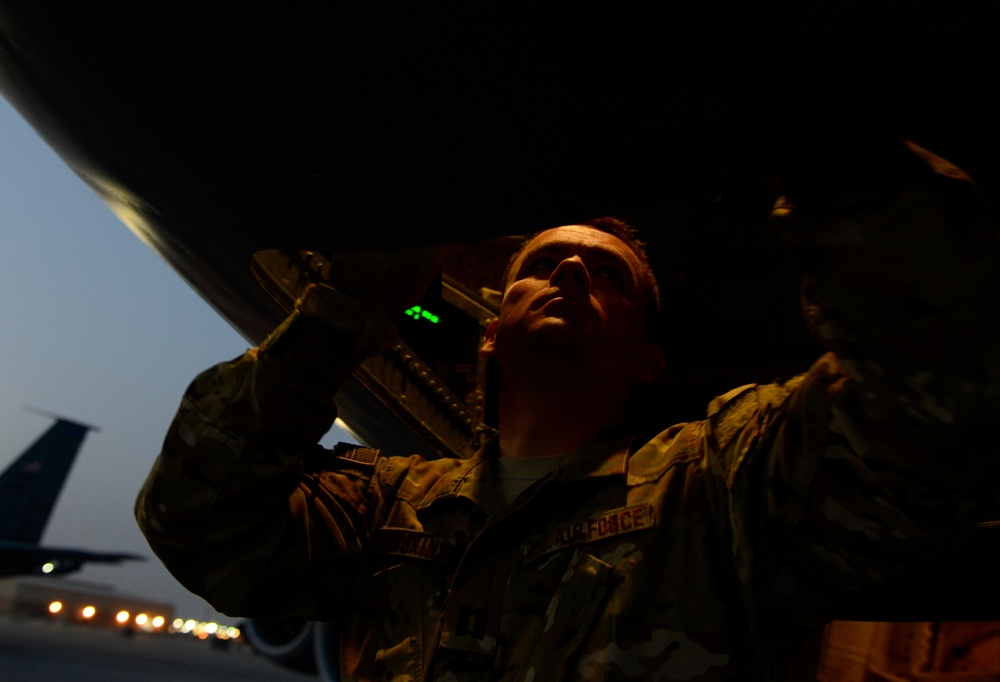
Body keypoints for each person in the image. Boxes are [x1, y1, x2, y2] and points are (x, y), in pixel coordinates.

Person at [136, 139, 1000, 681]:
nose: (574, 273)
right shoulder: (385, 506)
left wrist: (821, 148)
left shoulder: (716, 488)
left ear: (648, 356)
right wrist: (347, 309)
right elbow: (197, 518)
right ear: (490, 333)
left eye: (610, 274)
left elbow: (931, 376)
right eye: (544, 263)